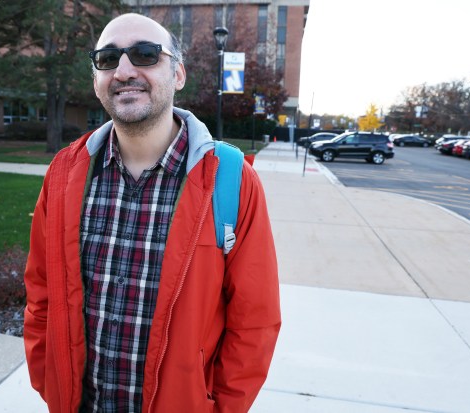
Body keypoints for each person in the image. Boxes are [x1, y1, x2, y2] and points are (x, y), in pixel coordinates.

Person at [23, 13, 280, 413]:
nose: (124, 70)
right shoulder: (63, 173)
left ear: (178, 74)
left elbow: (254, 322)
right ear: (96, 79)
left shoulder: (232, 180)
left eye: (145, 54)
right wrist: (47, 379)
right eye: (108, 59)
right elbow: (40, 294)